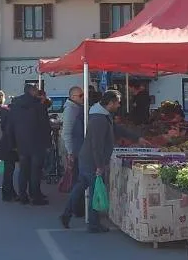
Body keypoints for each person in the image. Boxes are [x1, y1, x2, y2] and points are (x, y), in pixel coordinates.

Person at [61, 90, 148, 233]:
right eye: (117, 102)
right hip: (92, 160)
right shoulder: (99, 119)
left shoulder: (102, 116)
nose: (119, 105)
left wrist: (137, 138)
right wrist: (100, 165)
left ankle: (66, 214)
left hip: (87, 158)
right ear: (111, 103)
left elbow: (117, 129)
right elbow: (97, 145)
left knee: (80, 187)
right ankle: (93, 223)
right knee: (96, 191)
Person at [6, 83, 51, 206]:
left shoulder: (15, 105)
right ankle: (35, 196)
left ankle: (23, 196)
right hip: (37, 142)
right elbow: (45, 126)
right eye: (36, 90)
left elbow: (10, 126)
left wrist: (12, 143)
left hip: (21, 143)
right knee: (35, 171)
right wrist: (48, 143)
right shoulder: (38, 105)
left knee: (23, 170)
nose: (37, 92)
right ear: (32, 91)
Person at [61, 86, 84, 192]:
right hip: (74, 149)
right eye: (81, 95)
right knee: (75, 177)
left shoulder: (76, 107)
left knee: (76, 177)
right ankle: (74, 204)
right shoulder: (70, 109)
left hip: (77, 148)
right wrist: (70, 152)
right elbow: (67, 132)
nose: (83, 97)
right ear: (73, 97)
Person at [0, 91, 19, 202]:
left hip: (5, 146)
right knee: (8, 171)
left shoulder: (5, 112)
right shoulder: (12, 115)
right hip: (9, 147)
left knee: (7, 170)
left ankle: (9, 193)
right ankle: (7, 193)